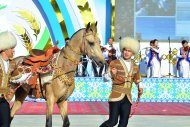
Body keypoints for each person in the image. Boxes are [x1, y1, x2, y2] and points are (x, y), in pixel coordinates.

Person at [100, 37, 143, 127]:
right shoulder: (114, 63)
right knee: (112, 121)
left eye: (129, 51)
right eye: (125, 50)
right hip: (116, 96)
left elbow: (138, 79)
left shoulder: (135, 66)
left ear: (133, 53)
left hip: (127, 98)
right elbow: (104, 78)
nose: (126, 52)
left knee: (124, 123)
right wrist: (111, 74)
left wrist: (140, 86)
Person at [0, 31, 22, 127]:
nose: (13, 50)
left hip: (3, 100)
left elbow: (17, 78)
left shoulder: (12, 63)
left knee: (6, 124)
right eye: (12, 48)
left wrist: (32, 72)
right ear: (4, 49)